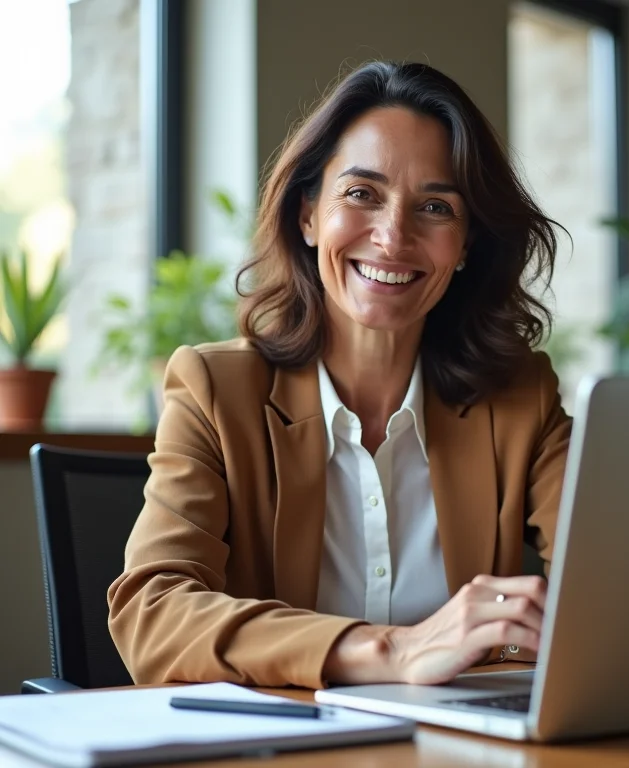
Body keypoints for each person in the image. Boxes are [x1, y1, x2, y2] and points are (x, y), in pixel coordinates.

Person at [107, 61, 572, 690]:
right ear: (307, 215)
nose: (392, 236)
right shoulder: (215, 390)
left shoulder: (521, 399)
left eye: (436, 207)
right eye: (361, 194)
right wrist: (392, 651)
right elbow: (152, 615)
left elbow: (615, 585)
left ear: (465, 246)